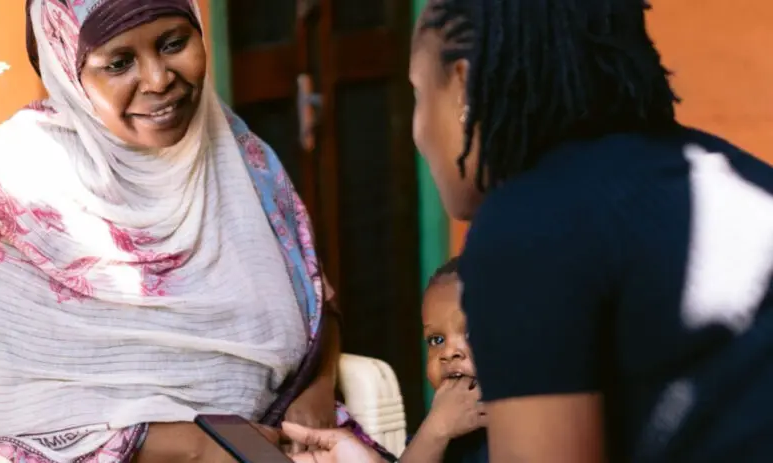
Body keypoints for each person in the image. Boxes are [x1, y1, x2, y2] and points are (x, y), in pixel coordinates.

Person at [287, 0, 773, 462]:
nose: (416, 129)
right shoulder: (723, 170)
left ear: (462, 88)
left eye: (417, 95)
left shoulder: (529, 224)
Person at [0, 1, 391, 462]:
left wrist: (317, 389)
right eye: (119, 63)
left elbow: (314, 301)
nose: (159, 80)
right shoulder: (7, 187)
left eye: (172, 42)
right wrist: (196, 448)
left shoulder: (239, 156)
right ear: (66, 69)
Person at [400, 258, 487, 463]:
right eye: (436, 340)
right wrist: (436, 431)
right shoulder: (436, 431)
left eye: (470, 334)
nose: (448, 353)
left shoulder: (535, 423)